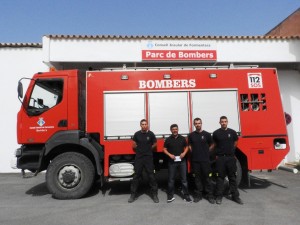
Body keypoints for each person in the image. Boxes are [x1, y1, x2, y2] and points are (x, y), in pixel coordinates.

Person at [212, 116, 243, 205]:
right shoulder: (216, 133)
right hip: (220, 158)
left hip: (230, 158)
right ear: (219, 122)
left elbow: (236, 142)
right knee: (220, 178)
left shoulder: (232, 132)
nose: (223, 123)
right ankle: (219, 196)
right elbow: (214, 144)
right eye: (222, 121)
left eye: (225, 121)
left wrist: (231, 151)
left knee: (232, 178)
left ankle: (235, 196)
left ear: (227, 122)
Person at [128, 119, 159, 203]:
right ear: (140, 125)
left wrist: (149, 148)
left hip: (148, 158)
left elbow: (155, 144)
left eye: (145, 124)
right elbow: (133, 145)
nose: (144, 125)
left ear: (147, 125)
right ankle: (133, 195)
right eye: (143, 124)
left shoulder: (151, 134)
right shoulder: (137, 134)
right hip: (139, 158)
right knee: (136, 176)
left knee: (151, 176)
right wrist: (139, 148)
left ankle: (155, 195)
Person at [188, 118, 215, 204]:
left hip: (205, 161)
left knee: (208, 178)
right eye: (196, 123)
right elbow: (189, 146)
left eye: (199, 123)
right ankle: (198, 195)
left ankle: (209, 195)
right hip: (195, 161)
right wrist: (194, 152)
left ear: (201, 123)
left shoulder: (207, 134)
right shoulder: (191, 135)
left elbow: (212, 144)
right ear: (194, 124)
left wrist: (207, 151)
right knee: (197, 178)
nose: (197, 125)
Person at [163, 124, 192, 203]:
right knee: (171, 180)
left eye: (176, 129)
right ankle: (170, 196)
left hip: (182, 162)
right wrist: (170, 155)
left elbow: (186, 147)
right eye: (173, 129)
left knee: (184, 180)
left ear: (178, 129)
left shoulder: (182, 138)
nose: (175, 130)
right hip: (172, 162)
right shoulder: (168, 139)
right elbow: (164, 149)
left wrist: (184, 153)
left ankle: (186, 196)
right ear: (171, 130)